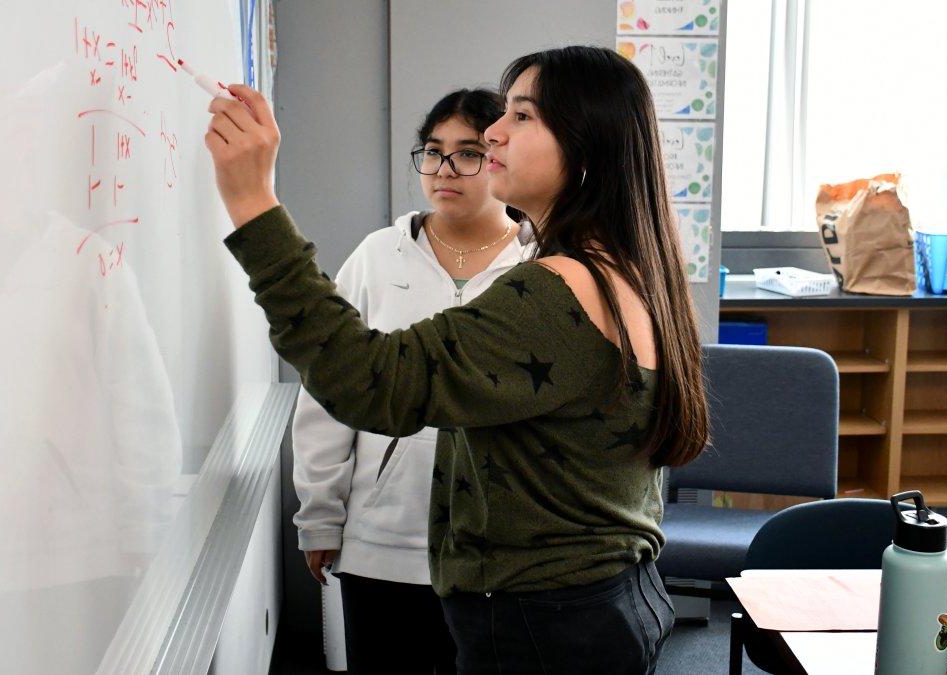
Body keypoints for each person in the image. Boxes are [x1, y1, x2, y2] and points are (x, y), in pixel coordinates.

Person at [204, 45, 709, 675]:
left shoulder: (558, 289)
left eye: (522, 116)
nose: (494, 130)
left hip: (544, 623)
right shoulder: (627, 269)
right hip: (599, 601)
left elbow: (372, 382)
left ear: (586, 147)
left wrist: (253, 201)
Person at [291, 88, 529, 675]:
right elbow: (330, 392)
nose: (444, 171)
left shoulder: (538, 264)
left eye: (468, 152)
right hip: (383, 542)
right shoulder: (378, 256)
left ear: (499, 158)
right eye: (432, 151)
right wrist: (319, 513)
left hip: (498, 553)